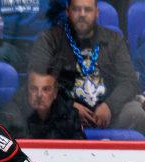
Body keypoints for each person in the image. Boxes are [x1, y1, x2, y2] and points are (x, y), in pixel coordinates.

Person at [29, 0, 145, 134]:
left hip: (109, 112)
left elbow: (129, 81)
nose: (82, 14)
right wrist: (68, 106)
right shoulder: (49, 39)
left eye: (88, 10)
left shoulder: (114, 39)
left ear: (97, 13)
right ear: (68, 12)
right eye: (77, 9)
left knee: (137, 114)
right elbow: (37, 78)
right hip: (64, 113)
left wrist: (109, 106)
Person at [0, 68, 86, 139]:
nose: (39, 95)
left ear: (55, 93)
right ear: (28, 91)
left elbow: (81, 152)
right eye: (34, 89)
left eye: (46, 89)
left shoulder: (68, 114)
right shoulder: (9, 115)